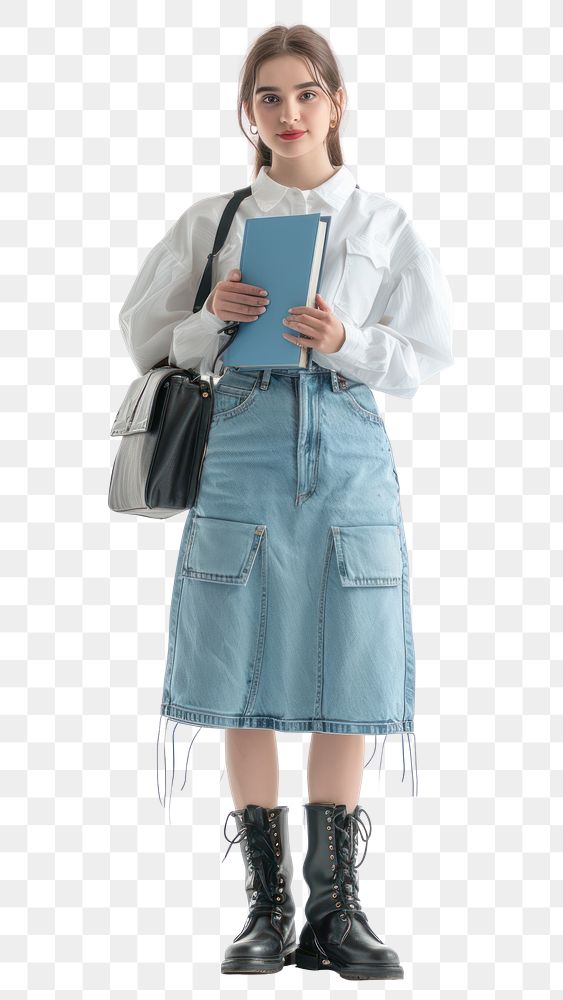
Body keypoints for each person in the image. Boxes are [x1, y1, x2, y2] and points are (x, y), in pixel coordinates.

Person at [118, 23, 454, 982]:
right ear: (246, 114)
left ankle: (338, 911)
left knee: (353, 656)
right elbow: (144, 339)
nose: (288, 113)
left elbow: (424, 357)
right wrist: (206, 322)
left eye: (305, 93)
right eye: (268, 98)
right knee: (238, 651)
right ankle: (267, 907)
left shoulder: (381, 223)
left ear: (336, 102)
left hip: (347, 451)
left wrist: (344, 338)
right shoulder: (213, 222)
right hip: (242, 450)